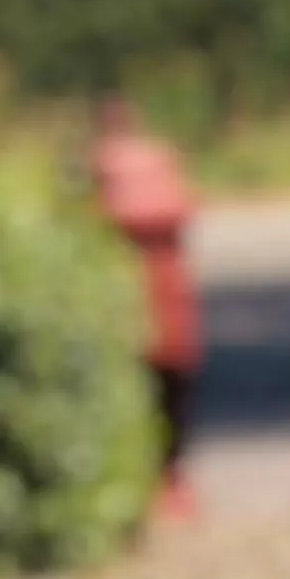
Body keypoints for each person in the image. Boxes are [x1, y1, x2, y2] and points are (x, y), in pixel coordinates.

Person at [87, 98, 202, 518]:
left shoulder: (101, 168)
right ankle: (166, 480)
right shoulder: (162, 163)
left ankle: (156, 481)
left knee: (151, 393)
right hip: (165, 304)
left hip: (142, 303)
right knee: (169, 393)